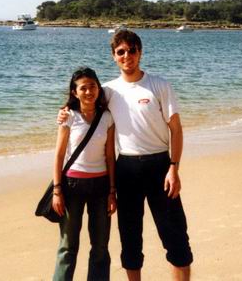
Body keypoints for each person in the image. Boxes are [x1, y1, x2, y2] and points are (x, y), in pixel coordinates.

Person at [58, 30, 193, 280]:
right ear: (113, 56)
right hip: (126, 169)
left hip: (160, 166)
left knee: (175, 236)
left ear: (140, 52)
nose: (127, 55)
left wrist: (174, 167)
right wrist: (64, 112)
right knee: (130, 238)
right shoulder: (108, 90)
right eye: (121, 52)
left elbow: (176, 129)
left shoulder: (159, 85)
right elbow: (83, 105)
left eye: (132, 50)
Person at [51, 67, 117, 281]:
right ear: (74, 92)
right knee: (68, 247)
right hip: (72, 186)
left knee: (100, 247)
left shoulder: (106, 117)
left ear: (99, 88)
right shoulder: (68, 116)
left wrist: (112, 191)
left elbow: (109, 156)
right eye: (83, 88)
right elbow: (59, 155)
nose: (89, 91)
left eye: (92, 86)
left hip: (100, 186)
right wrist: (57, 190)